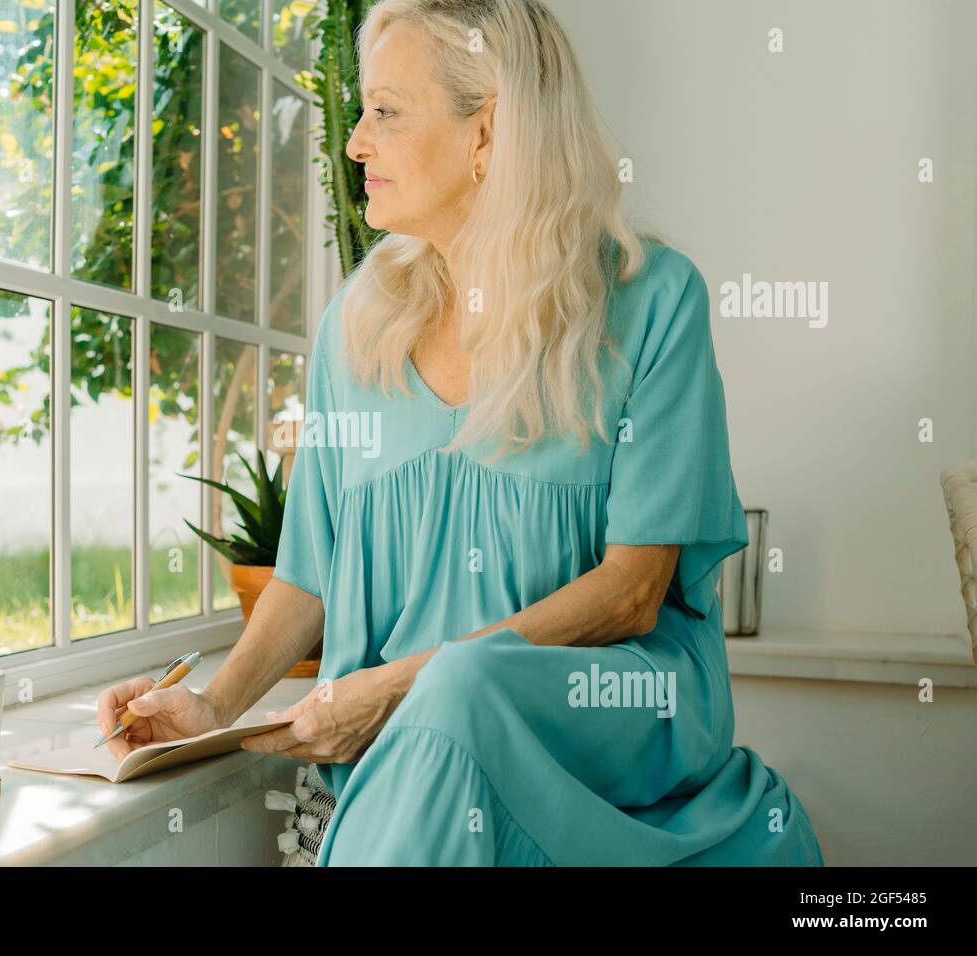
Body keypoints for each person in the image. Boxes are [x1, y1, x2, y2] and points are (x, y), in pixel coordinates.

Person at [95, 0, 824, 866]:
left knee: (463, 687)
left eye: (387, 112)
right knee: (448, 711)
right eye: (361, 112)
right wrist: (215, 707)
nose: (355, 142)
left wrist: (408, 685)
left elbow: (634, 591)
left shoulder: (653, 301)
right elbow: (309, 576)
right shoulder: (355, 325)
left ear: (490, 134)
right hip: (420, 754)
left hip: (613, 708)